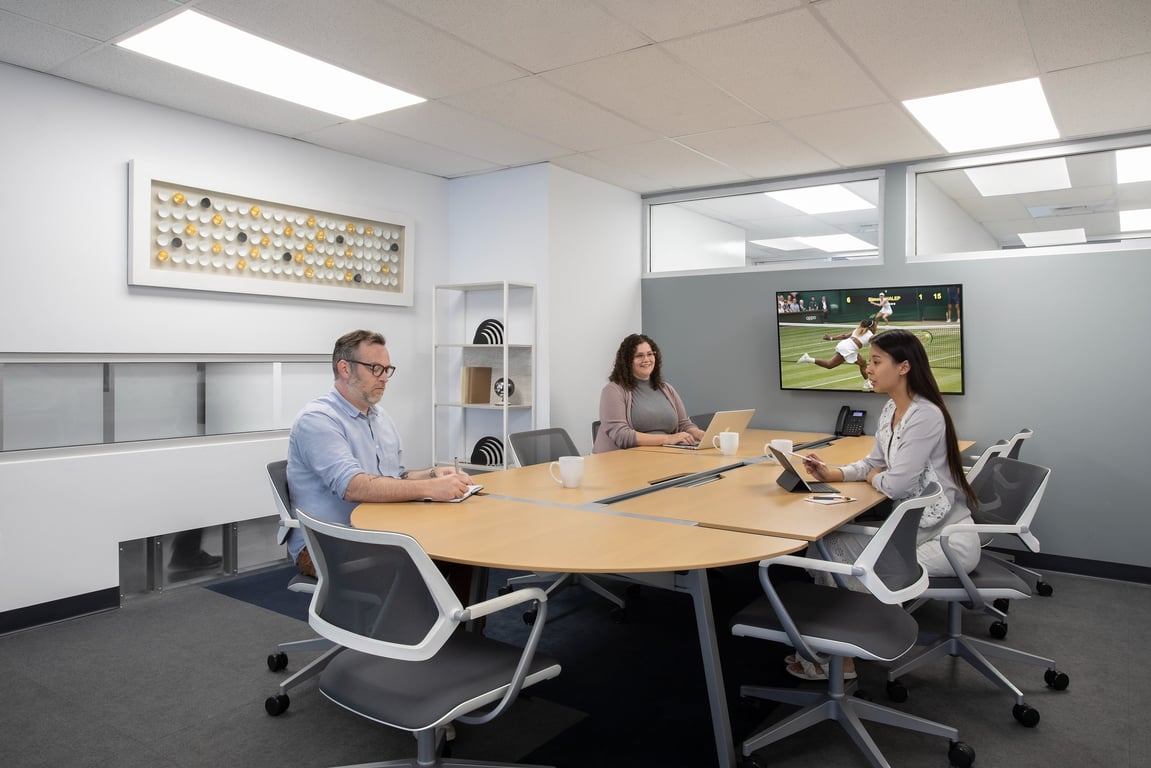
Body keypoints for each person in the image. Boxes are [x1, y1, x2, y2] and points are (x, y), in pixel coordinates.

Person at [789, 329, 980, 681]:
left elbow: (897, 483)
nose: (869, 369)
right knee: (826, 548)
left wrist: (875, 475)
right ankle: (833, 647)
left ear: (904, 367)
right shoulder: (893, 408)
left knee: (842, 559)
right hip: (913, 534)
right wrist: (833, 471)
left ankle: (842, 658)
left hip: (945, 542)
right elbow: (872, 464)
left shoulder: (925, 415)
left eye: (877, 362)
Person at [286, 330, 473, 582]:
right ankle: (422, 619)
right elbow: (353, 487)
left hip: (377, 528)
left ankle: (455, 622)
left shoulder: (379, 417)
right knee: (433, 552)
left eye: (387, 369)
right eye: (375, 368)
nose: (384, 378)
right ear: (344, 369)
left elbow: (394, 476)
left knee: (463, 543)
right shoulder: (317, 420)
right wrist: (431, 488)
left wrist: (431, 474)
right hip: (328, 541)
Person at [592, 333, 705, 453]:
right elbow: (622, 435)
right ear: (627, 361)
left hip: (662, 457)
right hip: (620, 461)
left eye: (650, 354)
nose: (646, 360)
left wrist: (700, 434)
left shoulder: (666, 389)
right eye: (639, 356)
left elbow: (683, 424)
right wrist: (668, 438)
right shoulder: (613, 390)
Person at [796, 318, 877, 390]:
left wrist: (830, 338)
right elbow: (877, 341)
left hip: (847, 346)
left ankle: (867, 384)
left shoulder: (857, 330)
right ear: (871, 327)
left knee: (863, 363)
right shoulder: (870, 335)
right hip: (848, 349)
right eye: (875, 326)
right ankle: (808, 359)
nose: (876, 328)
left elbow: (844, 336)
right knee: (829, 365)